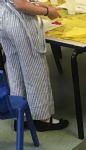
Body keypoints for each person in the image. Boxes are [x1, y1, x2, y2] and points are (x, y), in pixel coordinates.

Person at [0, 0, 69, 131]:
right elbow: (20, 5)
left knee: (15, 70)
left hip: (3, 19)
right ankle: (42, 118)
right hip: (20, 22)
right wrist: (47, 12)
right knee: (35, 71)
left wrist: (36, 4)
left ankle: (20, 116)